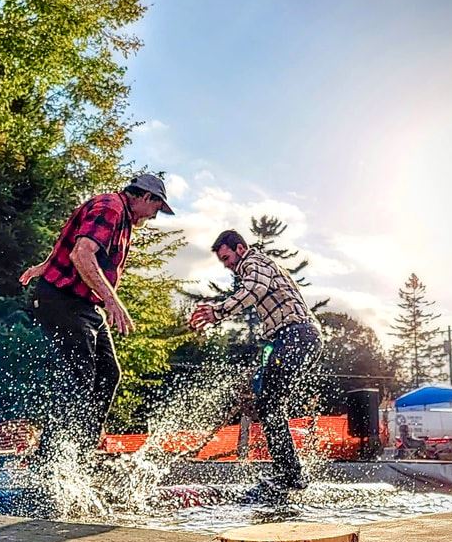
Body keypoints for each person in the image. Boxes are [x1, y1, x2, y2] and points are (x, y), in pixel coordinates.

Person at [19, 173, 174, 464]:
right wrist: (112, 300)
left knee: (108, 373)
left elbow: (71, 241)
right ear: (145, 197)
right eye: (156, 208)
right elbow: (81, 254)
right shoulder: (111, 208)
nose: (154, 216)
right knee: (79, 375)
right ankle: (48, 459)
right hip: (64, 300)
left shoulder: (122, 217)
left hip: (85, 305)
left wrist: (47, 263)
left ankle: (82, 450)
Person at [189, 230, 322, 494]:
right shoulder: (262, 266)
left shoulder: (254, 262)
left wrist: (218, 312)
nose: (227, 265)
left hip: (296, 336)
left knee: (270, 403)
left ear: (240, 248)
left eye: (227, 258)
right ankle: (290, 472)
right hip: (300, 338)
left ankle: (291, 475)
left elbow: (253, 289)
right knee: (270, 402)